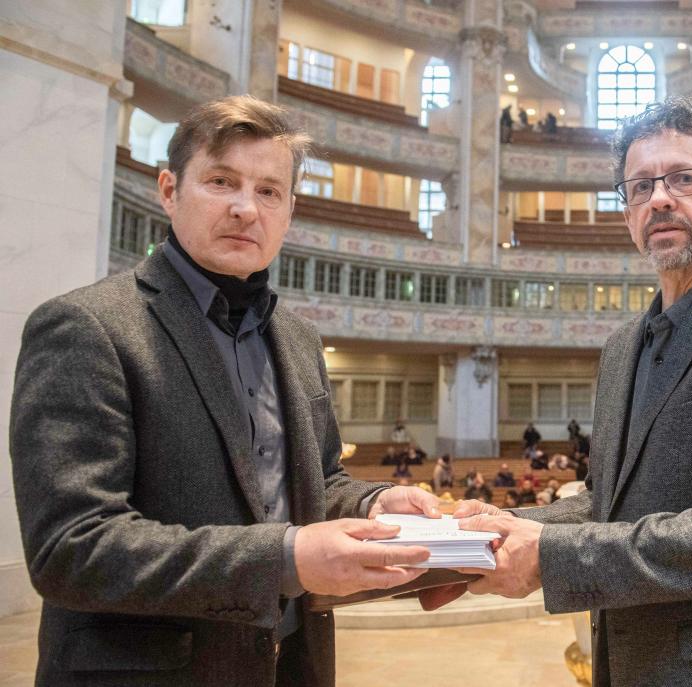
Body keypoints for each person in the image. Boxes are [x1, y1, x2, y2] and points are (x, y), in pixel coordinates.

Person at [9, 96, 441, 686]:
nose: (246, 208)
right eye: (221, 181)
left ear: (290, 210)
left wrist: (371, 503)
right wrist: (287, 558)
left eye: (269, 191)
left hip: (292, 664)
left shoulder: (297, 338)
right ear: (169, 190)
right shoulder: (87, 328)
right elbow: (72, 548)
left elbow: (314, 482)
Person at [449, 97, 692, 686]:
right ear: (629, 215)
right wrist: (508, 526)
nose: (659, 197)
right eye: (639, 187)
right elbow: (607, 503)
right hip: (635, 663)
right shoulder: (621, 347)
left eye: (685, 179)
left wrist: (547, 556)